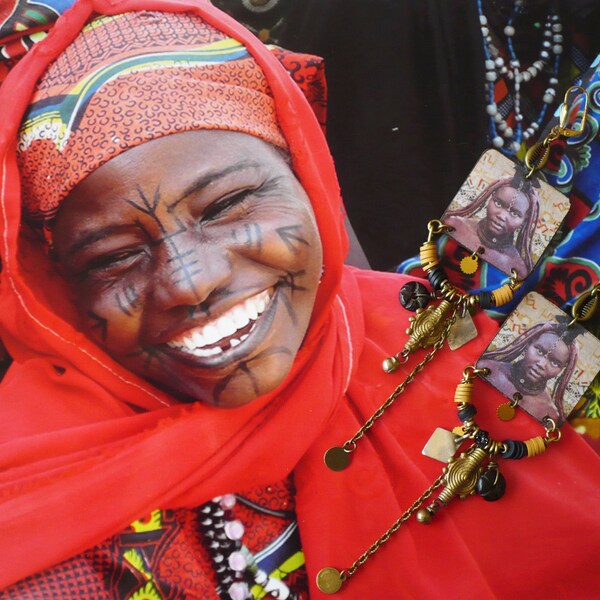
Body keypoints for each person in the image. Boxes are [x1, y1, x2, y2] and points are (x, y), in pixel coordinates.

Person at [0, 1, 599, 598]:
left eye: (227, 205)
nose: (190, 281)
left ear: (310, 176)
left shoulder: (439, 334)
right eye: (112, 258)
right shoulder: (46, 512)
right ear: (57, 292)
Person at [478, 318, 580, 424]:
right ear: (529, 343)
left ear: (562, 369)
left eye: (555, 363)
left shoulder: (549, 413)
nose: (541, 364)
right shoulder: (487, 368)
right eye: (540, 351)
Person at [444, 170, 540, 279]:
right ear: (490, 197)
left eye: (514, 213)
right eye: (498, 203)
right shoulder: (454, 225)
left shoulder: (517, 269)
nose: (502, 216)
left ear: (524, 221)